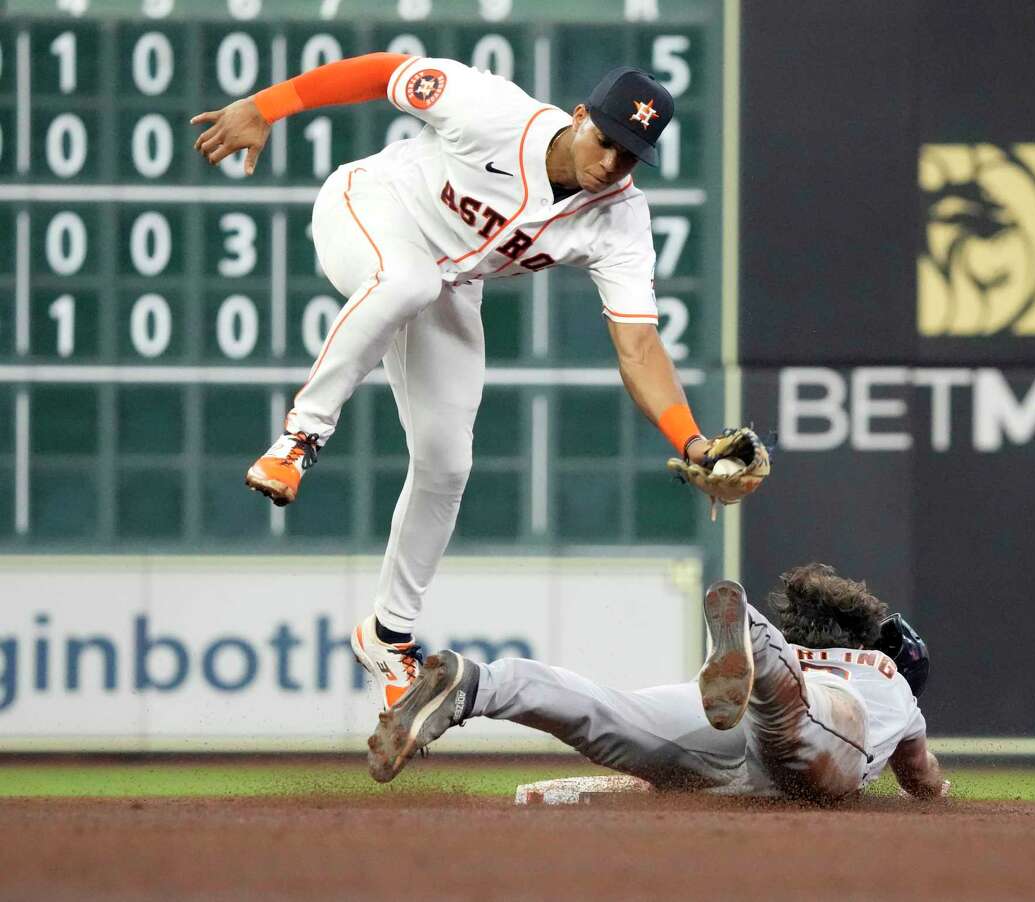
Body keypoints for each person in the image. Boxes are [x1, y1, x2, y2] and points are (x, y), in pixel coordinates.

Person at [190, 55, 729, 711]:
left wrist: (694, 442)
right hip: (369, 207)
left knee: (447, 462)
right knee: (406, 280)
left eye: (632, 153)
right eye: (606, 139)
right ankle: (300, 436)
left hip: (449, 281)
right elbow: (386, 71)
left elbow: (638, 347)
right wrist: (266, 106)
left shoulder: (619, 219)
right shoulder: (493, 111)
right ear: (580, 117)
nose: (613, 161)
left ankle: (388, 637)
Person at [366, 563, 950, 802]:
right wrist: (936, 796)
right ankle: (748, 633)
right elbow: (922, 779)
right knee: (796, 716)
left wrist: (578, 793)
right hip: (826, 721)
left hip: (735, 745)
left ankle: (478, 685)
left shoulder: (812, 648)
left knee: (603, 713)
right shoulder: (889, 678)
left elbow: (664, 793)